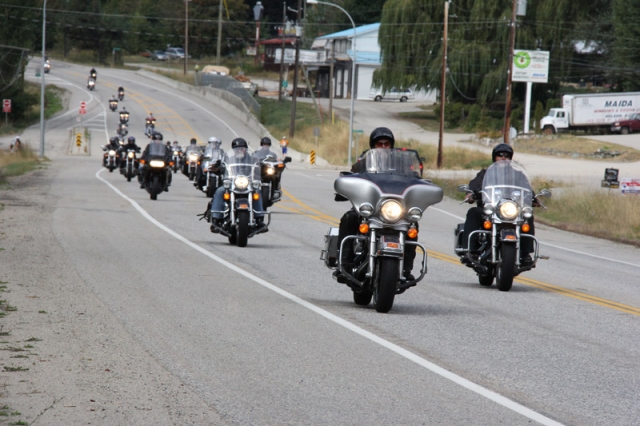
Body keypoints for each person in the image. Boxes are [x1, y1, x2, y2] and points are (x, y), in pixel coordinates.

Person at [335, 127, 418, 281]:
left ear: (391, 145)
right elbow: (352, 180)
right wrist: (345, 189)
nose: (384, 147)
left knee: (413, 226)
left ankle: (406, 269)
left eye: (387, 144)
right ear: (373, 146)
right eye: (380, 144)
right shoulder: (362, 164)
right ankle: (344, 264)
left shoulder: (403, 165)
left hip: (394, 210)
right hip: (370, 210)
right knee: (349, 218)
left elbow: (413, 180)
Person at [462, 143, 536, 266]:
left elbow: (528, 189)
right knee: (473, 212)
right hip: (490, 209)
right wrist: (470, 194)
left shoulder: (518, 175)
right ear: (494, 157)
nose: (503, 158)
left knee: (528, 216)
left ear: (510, 158)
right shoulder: (485, 174)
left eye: (506, 156)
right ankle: (469, 250)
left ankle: (525, 253)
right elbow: (473, 186)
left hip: (512, 211)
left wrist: (534, 198)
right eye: (500, 155)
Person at [209, 137, 265, 231]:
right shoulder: (228, 159)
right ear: (233, 150)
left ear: (245, 149)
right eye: (237, 148)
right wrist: (217, 167)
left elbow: (258, 168)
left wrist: (262, 167)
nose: (239, 150)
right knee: (220, 191)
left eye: (242, 148)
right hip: (232, 184)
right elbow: (222, 168)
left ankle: (259, 219)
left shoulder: (252, 159)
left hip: (247, 185)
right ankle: (216, 219)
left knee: (257, 192)